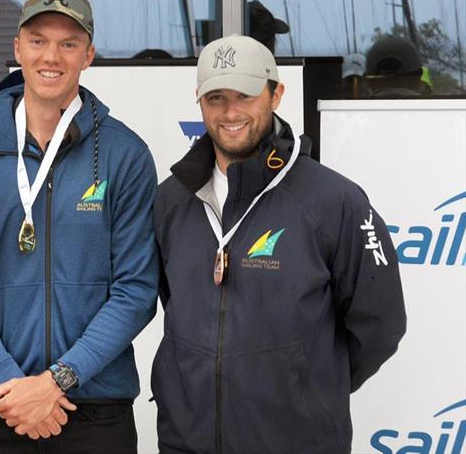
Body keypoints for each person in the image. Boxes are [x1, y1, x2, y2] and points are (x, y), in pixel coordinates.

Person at [0, 0, 159, 453]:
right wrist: (12, 385)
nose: (51, 56)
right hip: (0, 406)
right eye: (37, 40)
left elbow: (136, 289)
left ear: (89, 54)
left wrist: (57, 380)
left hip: (96, 409)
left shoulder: (124, 155)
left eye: (68, 43)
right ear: (17, 48)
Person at [152, 34, 406, 454]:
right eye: (216, 98)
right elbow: (172, 300)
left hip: (298, 442)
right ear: (198, 100)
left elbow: (380, 325)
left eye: (245, 95)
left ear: (276, 94)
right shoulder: (171, 200)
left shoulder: (333, 200)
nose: (230, 112)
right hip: (187, 441)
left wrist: (307, 390)